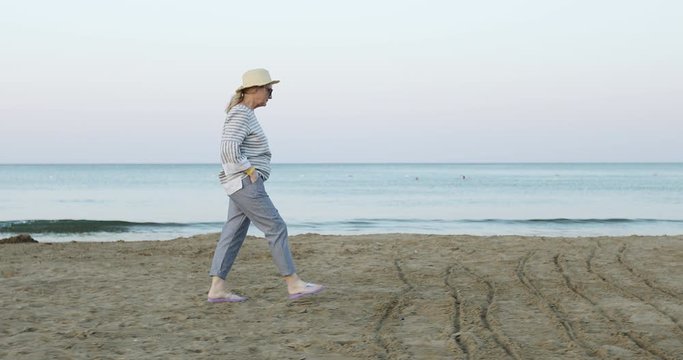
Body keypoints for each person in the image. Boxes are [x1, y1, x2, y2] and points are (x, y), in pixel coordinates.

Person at [207, 68, 324, 303]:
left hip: (239, 184)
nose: (271, 96)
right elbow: (228, 149)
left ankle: (217, 289)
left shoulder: (244, 113)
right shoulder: (241, 113)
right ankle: (294, 284)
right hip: (246, 183)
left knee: (233, 234)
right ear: (254, 89)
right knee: (276, 227)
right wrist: (250, 171)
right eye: (269, 90)